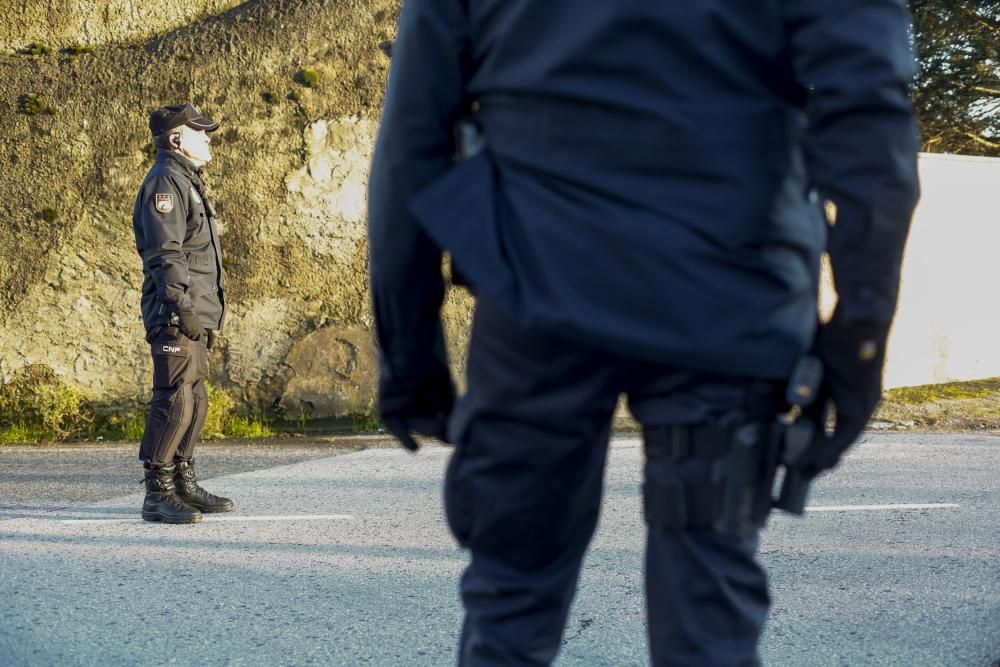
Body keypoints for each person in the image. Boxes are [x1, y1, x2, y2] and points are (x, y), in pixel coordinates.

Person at [368, 1, 919, 664]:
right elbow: (867, 109)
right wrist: (860, 334)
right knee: (708, 612)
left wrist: (408, 351)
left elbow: (412, 140)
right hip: (728, 295)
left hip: (538, 291)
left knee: (510, 604)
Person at [132, 102, 233, 525]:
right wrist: (183, 307)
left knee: (194, 398)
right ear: (176, 139)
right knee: (173, 399)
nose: (208, 137)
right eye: (200, 131)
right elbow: (165, 253)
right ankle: (158, 492)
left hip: (195, 312)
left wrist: (204, 313)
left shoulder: (186, 180)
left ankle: (183, 483)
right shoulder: (165, 183)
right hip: (175, 312)